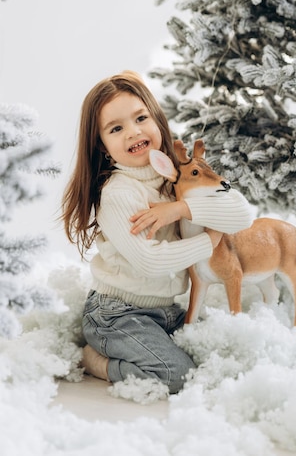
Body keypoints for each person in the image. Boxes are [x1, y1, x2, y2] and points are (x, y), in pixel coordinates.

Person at [61, 70, 253, 394]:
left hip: (166, 310)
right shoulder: (118, 194)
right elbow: (149, 262)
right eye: (116, 128)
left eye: (140, 118)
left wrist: (179, 209)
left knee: (219, 356)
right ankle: (97, 361)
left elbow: (242, 214)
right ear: (103, 145)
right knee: (179, 376)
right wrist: (209, 241)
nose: (133, 132)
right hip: (116, 315)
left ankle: (142, 348)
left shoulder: (175, 175)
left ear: (156, 118)